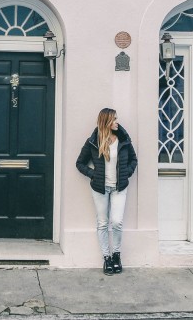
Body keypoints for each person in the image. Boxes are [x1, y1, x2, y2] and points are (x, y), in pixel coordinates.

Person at [75, 107, 138, 275]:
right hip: (100, 189)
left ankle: (116, 255)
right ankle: (107, 258)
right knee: (102, 223)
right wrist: (93, 175)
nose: (117, 122)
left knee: (116, 222)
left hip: (119, 187)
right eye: (114, 119)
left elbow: (134, 159)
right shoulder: (93, 141)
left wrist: (127, 173)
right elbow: (80, 163)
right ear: (107, 122)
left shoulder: (123, 139)